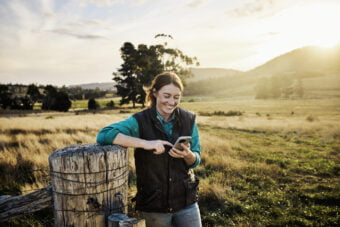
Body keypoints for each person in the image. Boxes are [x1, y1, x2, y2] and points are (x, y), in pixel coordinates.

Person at [96, 72, 202, 227]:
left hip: (186, 201)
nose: (171, 102)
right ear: (155, 93)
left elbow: (196, 160)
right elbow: (104, 135)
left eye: (176, 97)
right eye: (166, 95)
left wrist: (188, 155)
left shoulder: (189, 119)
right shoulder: (139, 120)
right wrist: (146, 143)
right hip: (154, 205)